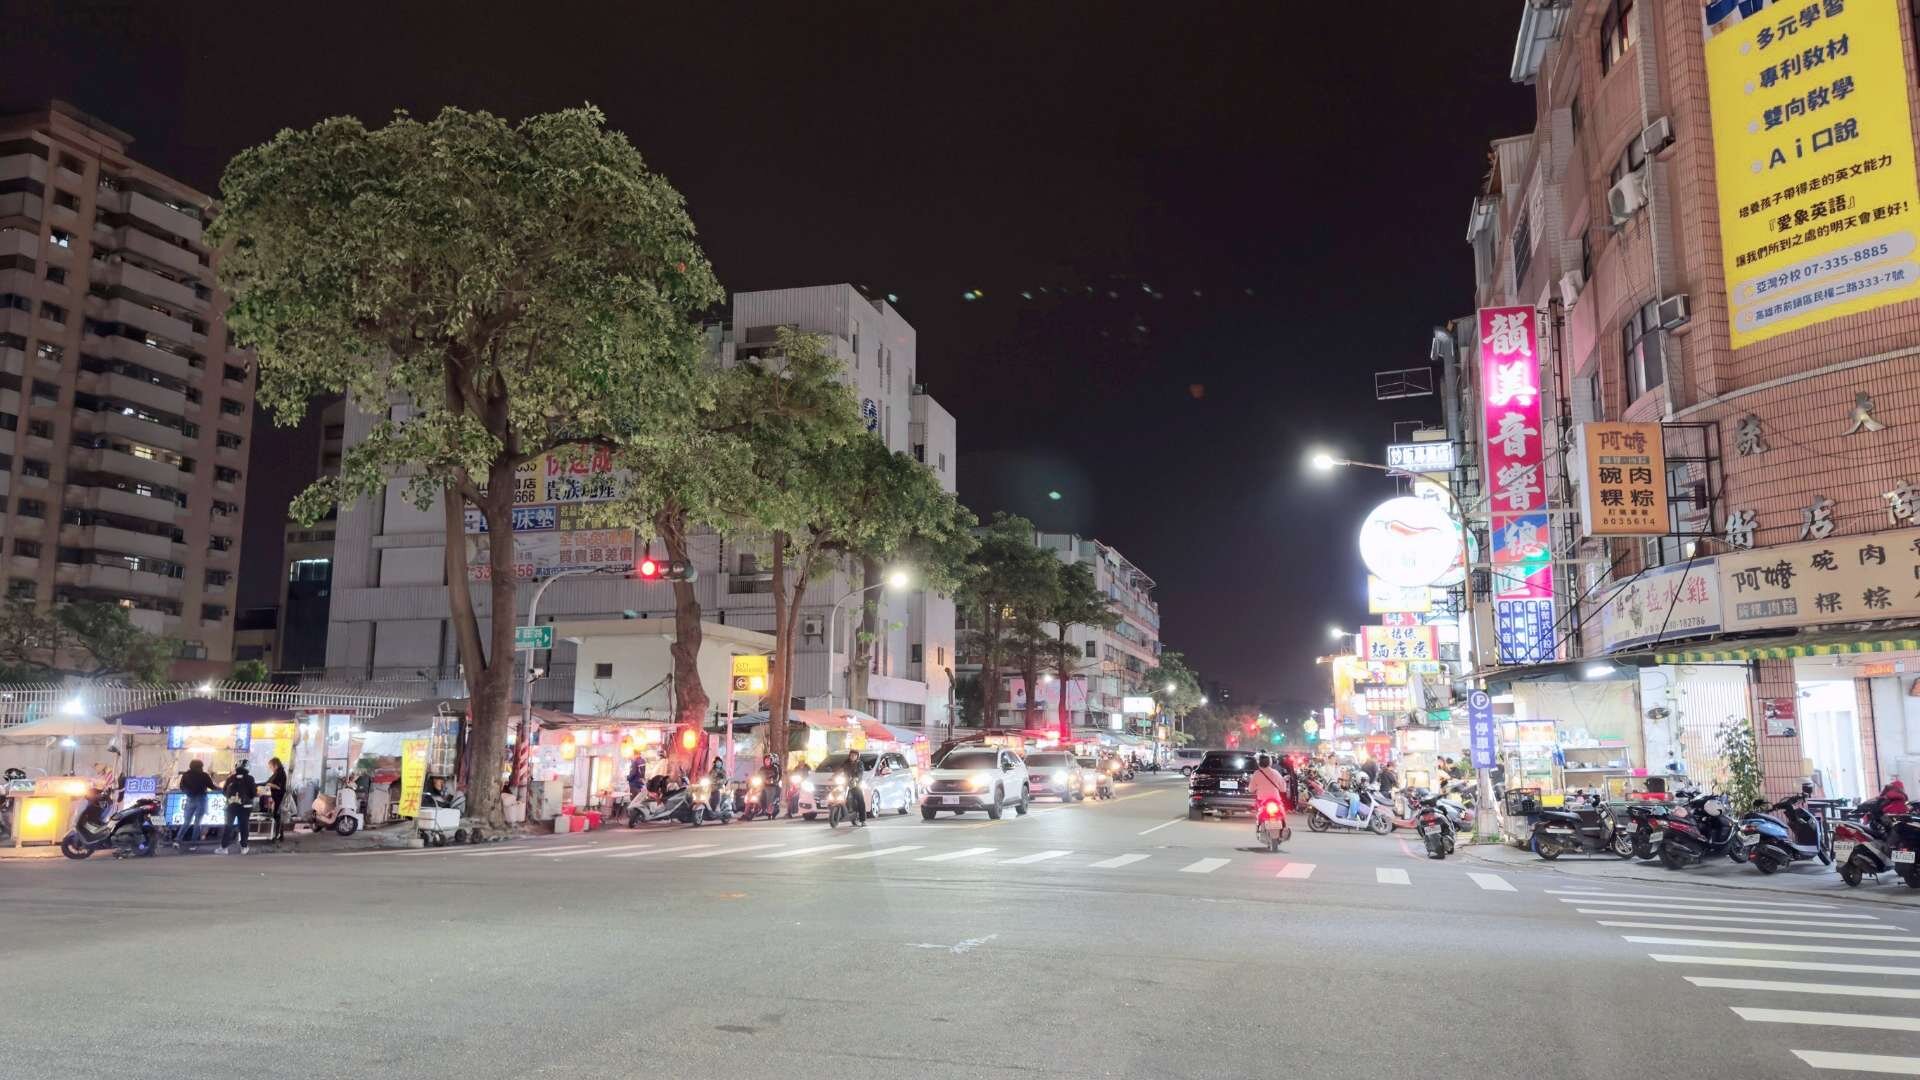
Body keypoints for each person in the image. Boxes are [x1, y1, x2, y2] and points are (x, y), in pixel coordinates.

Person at [175, 759, 217, 849]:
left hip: (190, 799)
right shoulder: (204, 775)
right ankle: (193, 844)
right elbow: (212, 786)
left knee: (187, 822)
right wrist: (222, 789)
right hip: (201, 799)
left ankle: (177, 840)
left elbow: (182, 787)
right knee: (197, 822)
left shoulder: (186, 775)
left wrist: (189, 793)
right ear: (200, 766)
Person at [217, 761, 257, 855]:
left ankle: (224, 848)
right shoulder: (250, 778)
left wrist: (233, 799)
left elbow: (224, 792)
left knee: (228, 826)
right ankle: (244, 847)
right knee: (244, 826)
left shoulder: (230, 778)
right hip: (245, 806)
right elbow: (253, 793)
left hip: (231, 806)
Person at [263, 757, 289, 843]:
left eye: (271, 766)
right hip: (275, 797)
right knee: (277, 816)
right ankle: (280, 835)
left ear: (276, 765)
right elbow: (267, 782)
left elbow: (279, 787)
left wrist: (270, 785)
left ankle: (277, 835)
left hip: (279, 797)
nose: (270, 768)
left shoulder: (280, 773)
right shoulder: (276, 773)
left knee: (277, 816)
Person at [841, 749, 867, 826]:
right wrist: (833, 776)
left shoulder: (859, 763)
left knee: (860, 801)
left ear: (857, 756)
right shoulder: (846, 763)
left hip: (856, 784)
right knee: (848, 801)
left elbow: (860, 772)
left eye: (854, 755)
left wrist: (856, 778)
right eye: (851, 755)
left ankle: (863, 820)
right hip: (847, 784)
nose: (852, 756)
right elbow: (840, 770)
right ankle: (850, 817)